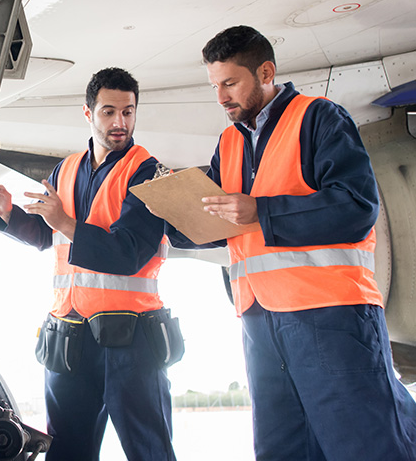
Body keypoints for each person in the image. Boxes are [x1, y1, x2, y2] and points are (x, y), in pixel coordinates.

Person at [170, 25, 416, 460]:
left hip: (331, 317)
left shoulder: (319, 117)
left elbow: (356, 207)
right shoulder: (229, 142)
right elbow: (221, 222)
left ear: (265, 71)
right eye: (215, 86)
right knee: (282, 448)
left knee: (366, 443)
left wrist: (261, 211)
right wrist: (172, 208)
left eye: (230, 83)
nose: (221, 97)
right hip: (260, 320)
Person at [0, 67, 178, 460]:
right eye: (109, 112)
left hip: (131, 341)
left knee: (149, 450)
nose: (120, 122)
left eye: (128, 111)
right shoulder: (66, 169)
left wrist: (65, 222)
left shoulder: (149, 173)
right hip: (68, 337)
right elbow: (49, 235)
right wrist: (8, 214)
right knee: (66, 451)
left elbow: (127, 253)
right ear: (88, 114)